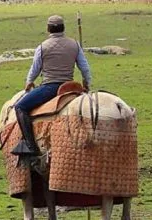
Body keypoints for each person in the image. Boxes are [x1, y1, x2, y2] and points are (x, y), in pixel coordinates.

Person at [11, 15, 92, 158]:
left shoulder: (43, 47)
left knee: (20, 107)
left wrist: (29, 81)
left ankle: (30, 145)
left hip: (50, 87)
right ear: (63, 28)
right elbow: (85, 68)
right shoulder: (75, 44)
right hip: (70, 87)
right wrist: (86, 82)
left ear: (48, 29)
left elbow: (35, 69)